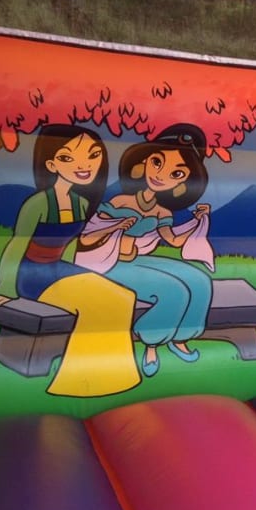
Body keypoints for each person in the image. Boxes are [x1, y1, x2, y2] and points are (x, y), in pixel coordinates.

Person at [0, 124, 141, 396]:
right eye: (69, 157)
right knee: (101, 303)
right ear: (52, 165)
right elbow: (15, 247)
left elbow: (69, 246)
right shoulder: (38, 204)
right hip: (32, 276)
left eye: (92, 155)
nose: (84, 165)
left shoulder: (80, 203)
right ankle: (77, 383)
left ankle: (114, 377)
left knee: (124, 297)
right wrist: (4, 290)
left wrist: (81, 273)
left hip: (60, 270)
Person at [76, 124, 214, 378]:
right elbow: (90, 234)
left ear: (183, 182)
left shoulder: (162, 211)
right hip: (110, 262)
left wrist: (197, 221)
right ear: (143, 163)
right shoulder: (120, 202)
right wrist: (117, 226)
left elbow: (173, 241)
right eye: (157, 162)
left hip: (136, 261)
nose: (161, 175)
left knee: (200, 281)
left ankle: (180, 338)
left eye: (176, 173)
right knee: (174, 291)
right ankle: (151, 345)